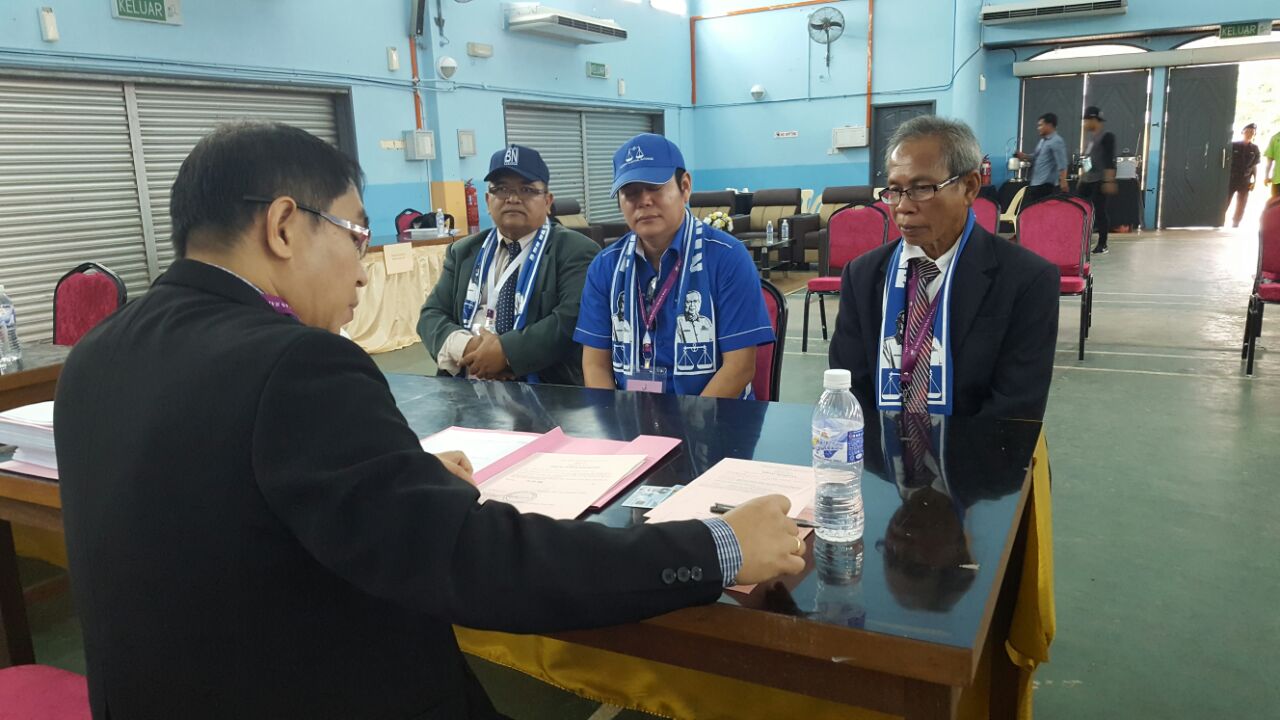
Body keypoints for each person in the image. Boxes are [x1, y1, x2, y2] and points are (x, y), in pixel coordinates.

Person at [53, 122, 808, 720]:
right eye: (354, 234)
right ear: (284, 226)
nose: (362, 267)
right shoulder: (296, 367)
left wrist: (402, 486)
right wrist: (719, 548)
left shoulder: (95, 356)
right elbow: (486, 563)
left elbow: (238, 507)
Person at [829, 115, 1059, 421]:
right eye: (894, 191)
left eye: (922, 188)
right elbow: (851, 393)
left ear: (969, 188)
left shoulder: (1026, 279)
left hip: (978, 461)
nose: (903, 206)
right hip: (879, 460)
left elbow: (1013, 411)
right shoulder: (863, 276)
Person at [575, 133, 774, 398]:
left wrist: (686, 432)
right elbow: (595, 363)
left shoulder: (727, 258)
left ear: (685, 186)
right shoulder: (605, 266)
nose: (643, 201)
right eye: (630, 192)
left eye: (655, 187)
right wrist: (615, 422)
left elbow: (739, 367)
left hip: (713, 421)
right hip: (631, 421)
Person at [418, 144, 598, 385]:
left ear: (547, 201)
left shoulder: (575, 250)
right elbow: (431, 315)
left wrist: (506, 353)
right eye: (501, 189)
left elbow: (568, 320)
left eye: (526, 189)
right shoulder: (464, 251)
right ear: (487, 200)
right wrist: (468, 348)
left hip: (541, 388)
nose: (513, 199)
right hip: (466, 385)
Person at [1078, 106, 1118, 254]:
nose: (1085, 123)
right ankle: (1081, 241)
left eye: (1087, 120)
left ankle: (1103, 244)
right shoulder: (1090, 139)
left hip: (1101, 181)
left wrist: (1109, 181)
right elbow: (1088, 160)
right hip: (1088, 180)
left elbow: (1109, 160)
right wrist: (1083, 177)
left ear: (1094, 120)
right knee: (1080, 209)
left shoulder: (1107, 136)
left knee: (1100, 212)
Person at [1015, 113, 1069, 204]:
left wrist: (1063, 181)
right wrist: (1024, 156)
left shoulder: (1057, 141)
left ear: (1049, 125)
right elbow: (1035, 157)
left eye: (1040, 125)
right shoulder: (1043, 141)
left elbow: (1062, 163)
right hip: (1036, 183)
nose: (1038, 128)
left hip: (1046, 185)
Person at [1262, 128, 1280, 200]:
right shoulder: (1275, 138)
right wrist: (1266, 176)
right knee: (1275, 206)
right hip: (1277, 179)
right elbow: (1269, 160)